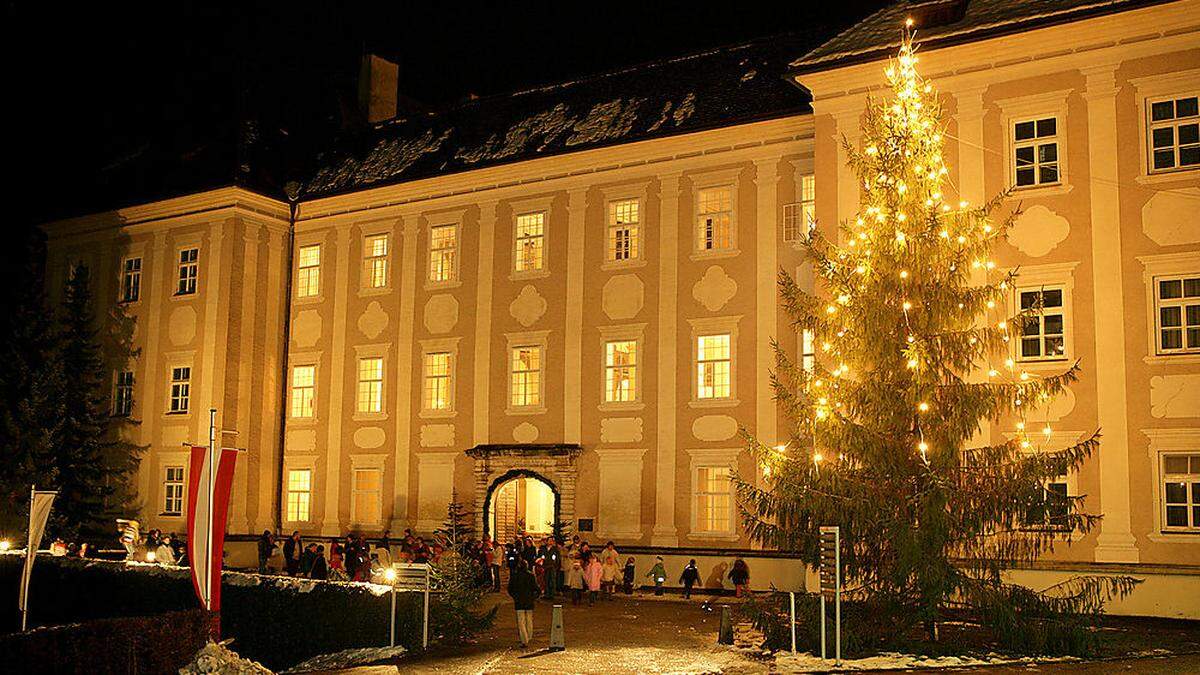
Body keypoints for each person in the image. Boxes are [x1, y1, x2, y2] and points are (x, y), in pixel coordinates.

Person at [508, 560, 540, 649]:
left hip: (519, 601)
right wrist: (534, 597)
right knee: (529, 619)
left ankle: (524, 639)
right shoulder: (531, 575)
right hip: (529, 601)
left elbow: (510, 589)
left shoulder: (514, 576)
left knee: (521, 621)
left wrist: (515, 597)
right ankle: (529, 636)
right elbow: (536, 588)